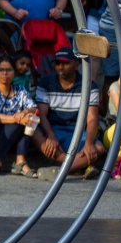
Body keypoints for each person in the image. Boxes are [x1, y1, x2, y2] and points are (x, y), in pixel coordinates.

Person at [32, 48, 104, 179]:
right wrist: (51, 135)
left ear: (76, 65)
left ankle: (61, 171)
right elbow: (41, 114)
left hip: (77, 132)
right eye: (58, 63)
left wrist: (88, 143)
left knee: (98, 147)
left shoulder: (89, 86)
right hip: (54, 129)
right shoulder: (45, 83)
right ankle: (79, 165)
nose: (60, 67)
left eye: (65, 63)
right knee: (34, 133)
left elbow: (92, 119)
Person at [0, 55, 38, 176]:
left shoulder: (20, 90)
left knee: (31, 120)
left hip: (12, 136)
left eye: (9, 70)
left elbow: (33, 107)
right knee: (17, 124)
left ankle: (20, 161)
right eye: (1, 70)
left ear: (14, 73)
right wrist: (17, 119)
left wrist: (24, 113)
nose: (5, 73)